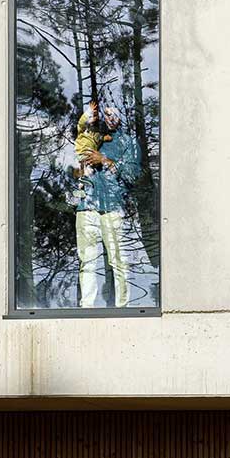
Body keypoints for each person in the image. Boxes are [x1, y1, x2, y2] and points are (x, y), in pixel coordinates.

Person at [75, 104, 141, 308]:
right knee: (87, 262)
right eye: (106, 114)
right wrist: (77, 178)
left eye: (114, 114)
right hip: (86, 207)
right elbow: (73, 172)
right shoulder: (93, 137)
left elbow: (132, 176)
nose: (109, 118)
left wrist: (104, 160)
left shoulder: (128, 142)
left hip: (113, 207)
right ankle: (86, 309)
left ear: (121, 115)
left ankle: (123, 308)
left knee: (119, 261)